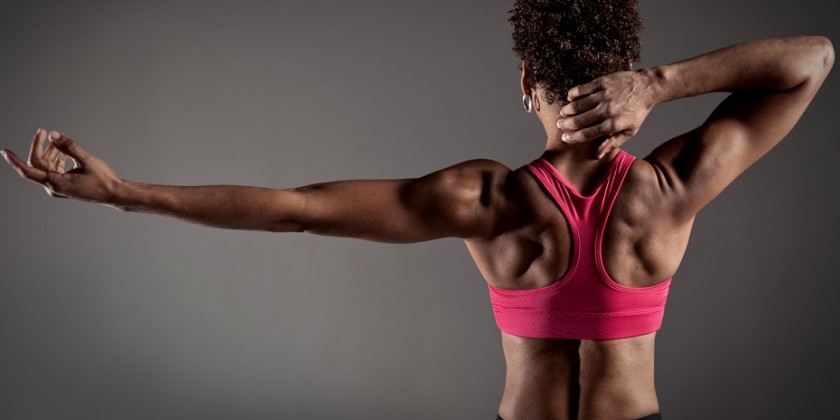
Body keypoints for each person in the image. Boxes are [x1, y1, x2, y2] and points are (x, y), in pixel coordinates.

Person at [1, 0, 833, 419]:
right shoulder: (669, 187)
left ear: (525, 82)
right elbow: (813, 59)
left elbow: (299, 209)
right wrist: (659, 85)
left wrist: (125, 194)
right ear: (620, 75)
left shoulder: (490, 200)